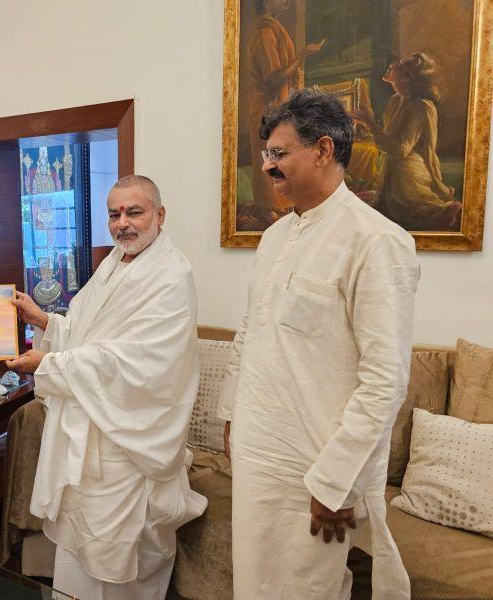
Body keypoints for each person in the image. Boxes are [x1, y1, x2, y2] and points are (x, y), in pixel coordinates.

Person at [219, 90, 419, 599]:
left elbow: (384, 380)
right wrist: (229, 416)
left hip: (313, 471)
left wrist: (335, 483)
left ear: (324, 150)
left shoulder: (376, 241)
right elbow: (250, 332)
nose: (267, 166)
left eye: (279, 154)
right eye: (267, 154)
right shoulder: (274, 238)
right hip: (257, 455)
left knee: (304, 590)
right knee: (254, 586)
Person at [5, 175, 206, 600]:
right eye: (114, 214)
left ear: (159, 215)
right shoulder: (114, 263)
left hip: (127, 437)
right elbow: (86, 329)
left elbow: (138, 361)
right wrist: (45, 321)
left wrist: (52, 363)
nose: (122, 224)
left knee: (119, 558)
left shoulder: (171, 274)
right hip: (91, 423)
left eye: (134, 212)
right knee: (80, 551)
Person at [352, 52, 462, 230]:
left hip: (408, 177)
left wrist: (370, 125)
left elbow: (399, 149)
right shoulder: (395, 101)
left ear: (406, 78)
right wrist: (369, 122)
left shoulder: (420, 107)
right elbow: (389, 139)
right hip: (392, 173)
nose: (392, 65)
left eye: (399, 65)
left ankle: (443, 211)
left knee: (408, 212)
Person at [244, 0, 325, 228]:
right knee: (271, 161)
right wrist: (302, 55)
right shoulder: (264, 32)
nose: (288, 1)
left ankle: (278, 207)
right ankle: (270, 208)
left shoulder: (275, 28)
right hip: (266, 112)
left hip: (278, 111)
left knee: (282, 159)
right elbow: (273, 78)